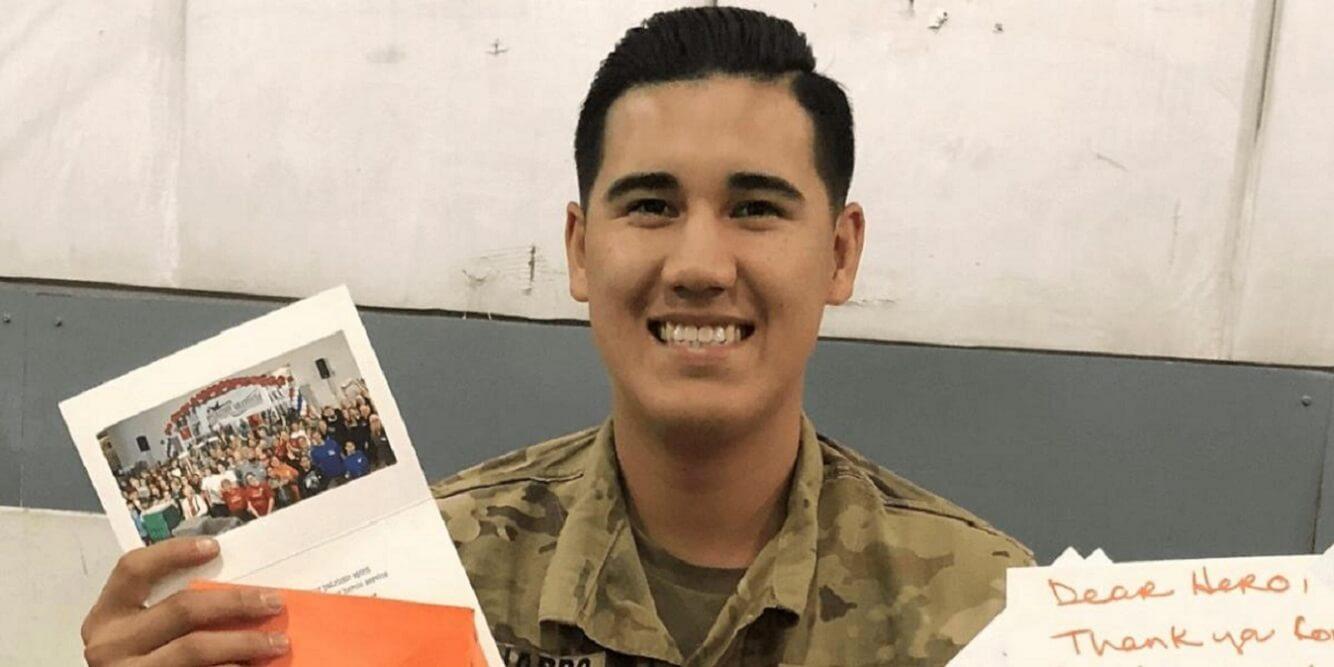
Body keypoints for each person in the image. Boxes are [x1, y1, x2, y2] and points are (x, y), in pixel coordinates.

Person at [79, 8, 1029, 666]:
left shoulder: (988, 614)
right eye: (650, 204)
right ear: (581, 249)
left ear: (840, 252)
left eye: (755, 207)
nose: (700, 261)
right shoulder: (422, 575)